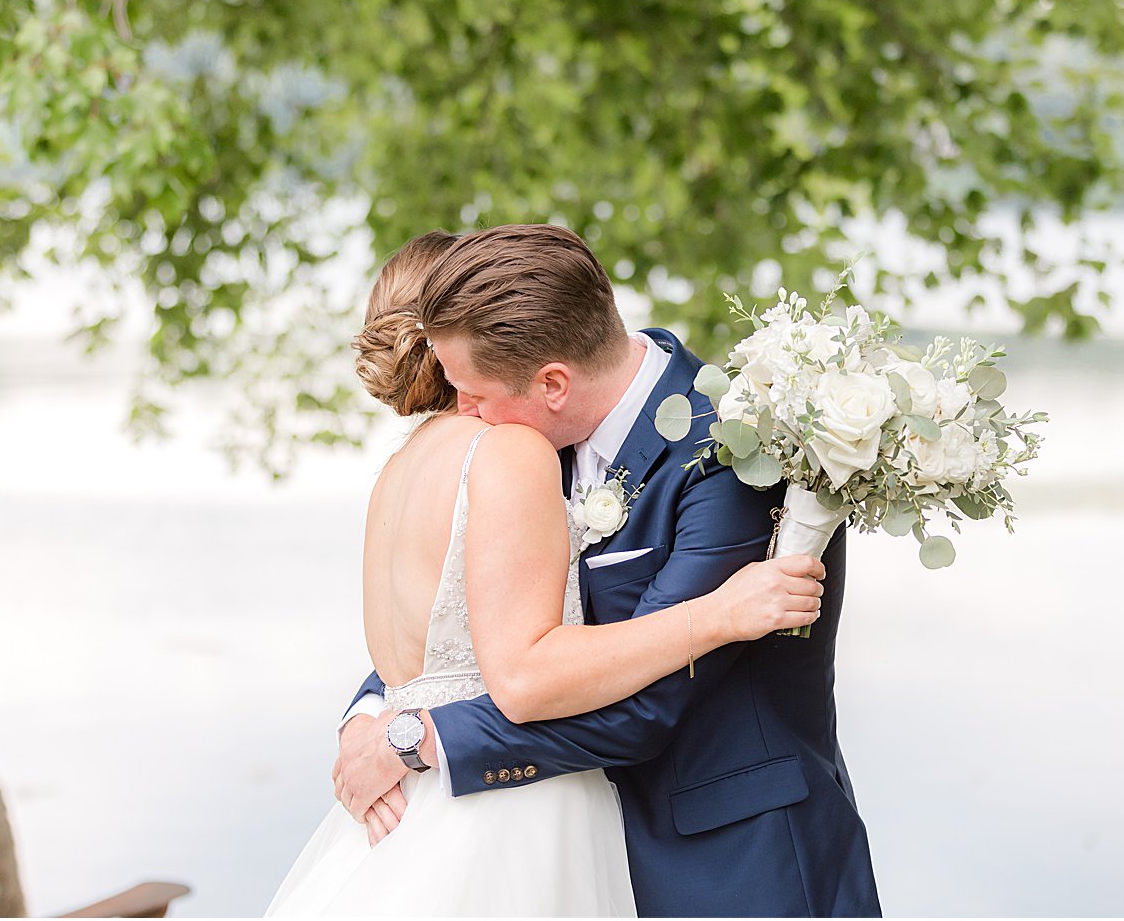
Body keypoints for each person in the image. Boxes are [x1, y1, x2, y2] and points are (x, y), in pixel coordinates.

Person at [266, 230, 826, 916]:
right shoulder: (517, 434)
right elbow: (458, 622)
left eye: (471, 392)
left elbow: (642, 705)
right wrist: (371, 716)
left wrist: (417, 740)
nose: (461, 409)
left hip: (728, 865)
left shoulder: (729, 451)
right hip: (539, 837)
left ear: (553, 384)